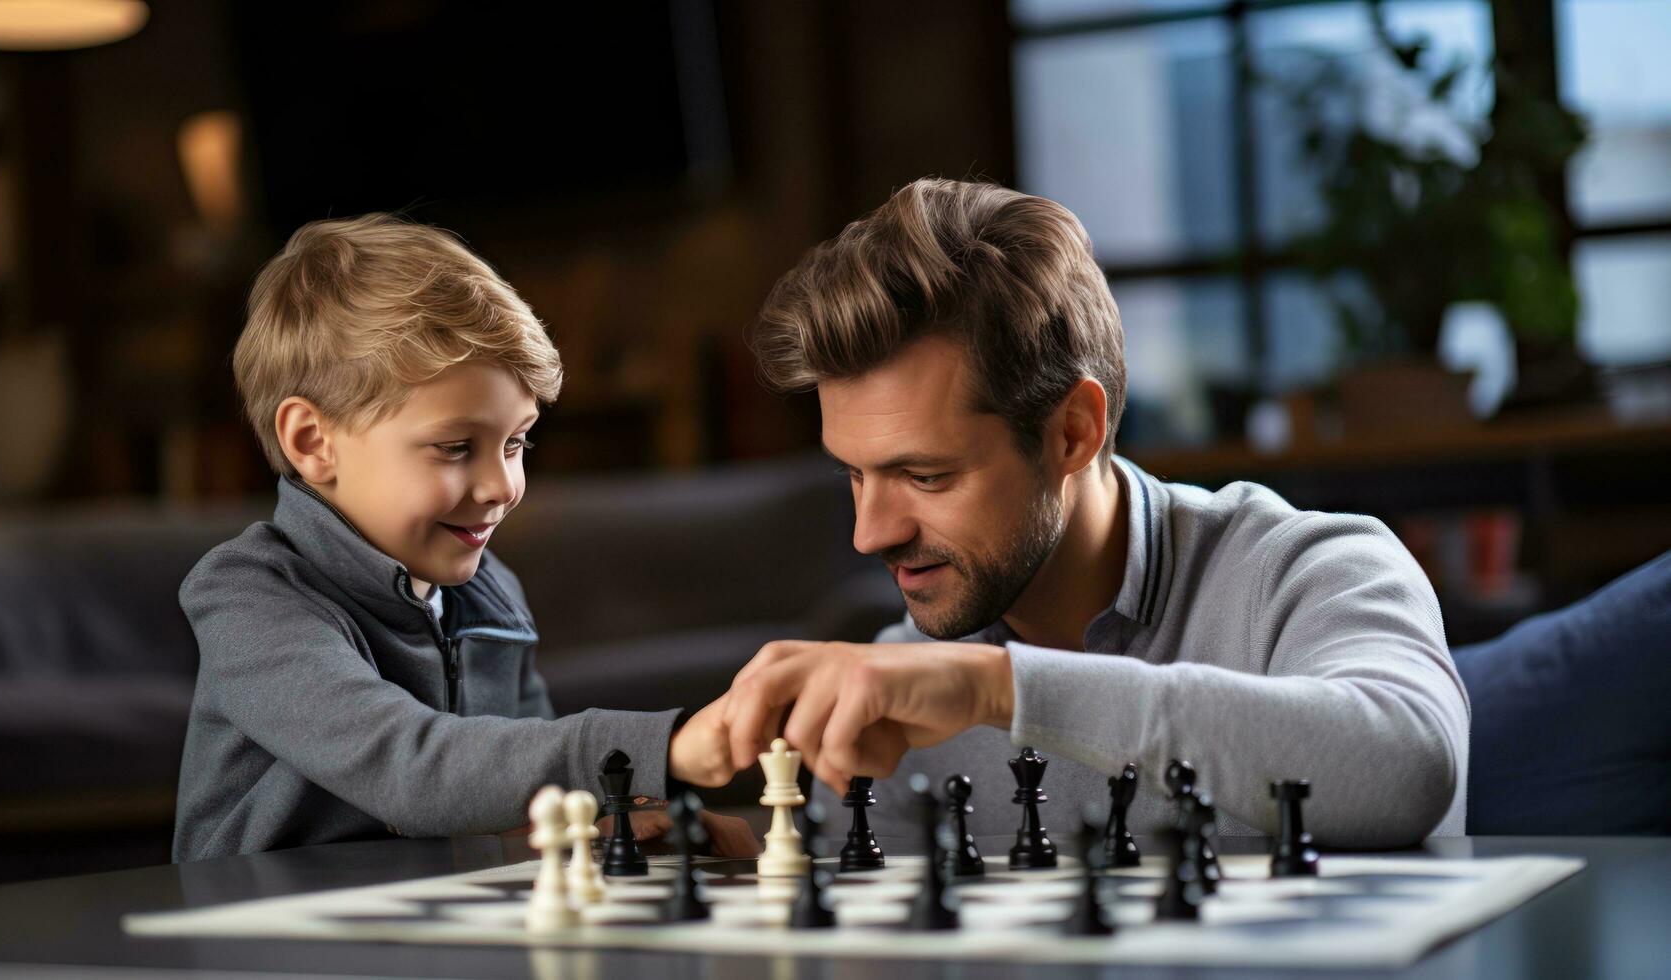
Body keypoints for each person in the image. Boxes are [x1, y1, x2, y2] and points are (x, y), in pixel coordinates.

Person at [712, 179, 1468, 847]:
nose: (869, 533)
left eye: (925, 475)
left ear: (1072, 432)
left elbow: (1408, 773)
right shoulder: (895, 683)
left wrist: (1000, 689)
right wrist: (750, 886)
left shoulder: (1312, 571)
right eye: (854, 475)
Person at [172, 215, 746, 862]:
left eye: (516, 442)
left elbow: (522, 805)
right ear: (312, 441)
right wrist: (664, 751)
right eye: (454, 447)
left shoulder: (493, 593)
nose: (502, 485)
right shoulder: (249, 595)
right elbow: (409, 770)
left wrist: (634, 816)